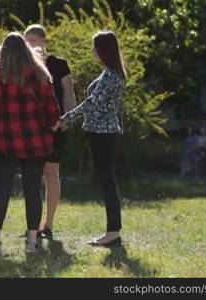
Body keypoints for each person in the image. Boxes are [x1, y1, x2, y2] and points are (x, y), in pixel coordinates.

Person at [0, 32, 60, 254]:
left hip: (5, 140)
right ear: (26, 50)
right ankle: (32, 241)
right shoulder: (41, 76)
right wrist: (53, 124)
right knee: (33, 190)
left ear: (3, 53)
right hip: (36, 141)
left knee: (1, 190)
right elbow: (52, 108)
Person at [53, 31, 126, 247]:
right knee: (106, 180)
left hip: (103, 134)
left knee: (107, 181)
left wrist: (66, 119)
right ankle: (113, 231)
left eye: (95, 47)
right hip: (100, 132)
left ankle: (113, 232)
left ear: (104, 49)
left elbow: (91, 103)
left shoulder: (112, 76)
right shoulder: (110, 73)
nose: (92, 51)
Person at [24, 24, 77, 239]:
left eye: (34, 40)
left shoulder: (59, 64)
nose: (30, 45)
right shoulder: (25, 66)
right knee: (31, 175)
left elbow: (69, 93)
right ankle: (33, 224)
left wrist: (68, 119)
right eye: (27, 41)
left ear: (43, 40)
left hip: (55, 127)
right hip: (30, 130)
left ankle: (49, 224)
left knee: (51, 174)